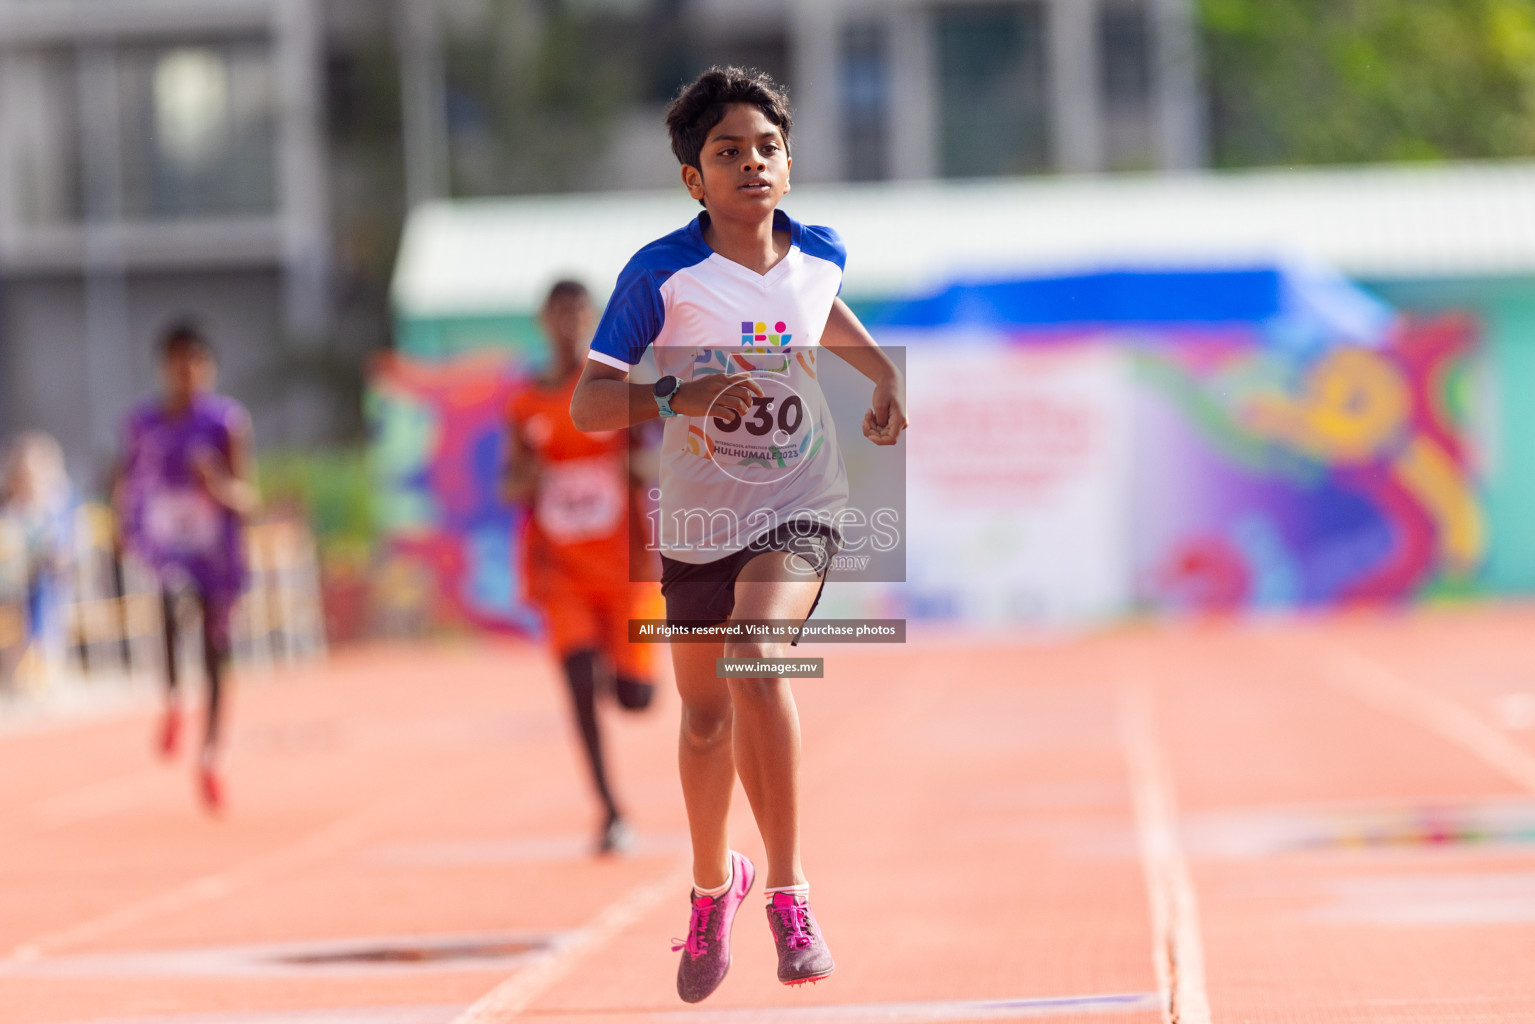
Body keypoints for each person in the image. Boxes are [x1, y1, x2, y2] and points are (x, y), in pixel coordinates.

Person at [569, 66, 908, 1002]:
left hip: (802, 502)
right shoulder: (662, 273)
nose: (751, 163)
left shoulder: (821, 250)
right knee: (706, 717)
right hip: (696, 521)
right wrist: (678, 391)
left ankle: (790, 894)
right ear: (695, 180)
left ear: (789, 165)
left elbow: (819, 308)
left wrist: (884, 376)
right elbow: (591, 402)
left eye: (766, 148)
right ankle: (713, 886)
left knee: (760, 654)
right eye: (728, 153)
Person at [505, 279, 661, 856]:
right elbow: (509, 481)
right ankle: (610, 809)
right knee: (575, 684)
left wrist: (634, 468)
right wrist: (534, 478)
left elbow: (656, 452)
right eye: (559, 312)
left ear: (591, 320)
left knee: (635, 699)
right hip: (561, 573)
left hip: (623, 568)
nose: (569, 321)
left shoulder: (615, 390)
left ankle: (617, 668)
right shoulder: (526, 404)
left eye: (579, 312)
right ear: (543, 320)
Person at [117, 321, 257, 811]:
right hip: (168, 544)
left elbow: (247, 496)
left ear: (209, 368)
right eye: (178, 362)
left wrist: (217, 486)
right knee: (171, 598)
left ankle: (212, 755)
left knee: (217, 653)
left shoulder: (226, 424)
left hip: (215, 549)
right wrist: (124, 527)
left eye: (197, 362)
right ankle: (175, 700)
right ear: (165, 367)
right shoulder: (143, 424)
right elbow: (128, 480)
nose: (187, 372)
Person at [0, 432, 76, 688]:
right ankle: (18, 674)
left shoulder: (57, 504)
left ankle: (45, 670)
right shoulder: (11, 509)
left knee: (45, 609)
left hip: (45, 581)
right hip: (13, 583)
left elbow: (63, 546)